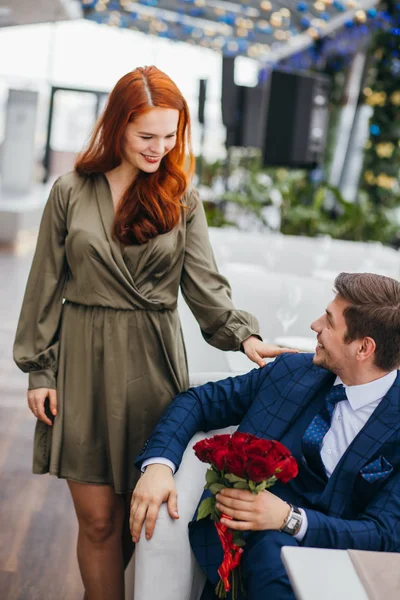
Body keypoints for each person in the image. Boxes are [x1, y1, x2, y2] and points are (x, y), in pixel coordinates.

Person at [13, 65, 293, 600]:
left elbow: (205, 285)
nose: (160, 148)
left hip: (152, 366)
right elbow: (44, 286)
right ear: (117, 126)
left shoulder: (180, 195)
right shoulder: (70, 191)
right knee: (96, 521)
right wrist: (39, 370)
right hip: (82, 363)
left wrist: (244, 337)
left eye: (170, 136)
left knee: (134, 522)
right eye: (147, 136)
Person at [132, 272, 400, 600]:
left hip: (341, 568)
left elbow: (385, 533)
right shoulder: (292, 372)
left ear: (364, 348)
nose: (315, 326)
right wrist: (159, 465)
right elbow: (199, 401)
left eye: (329, 322)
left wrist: (290, 519)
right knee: (269, 547)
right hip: (249, 549)